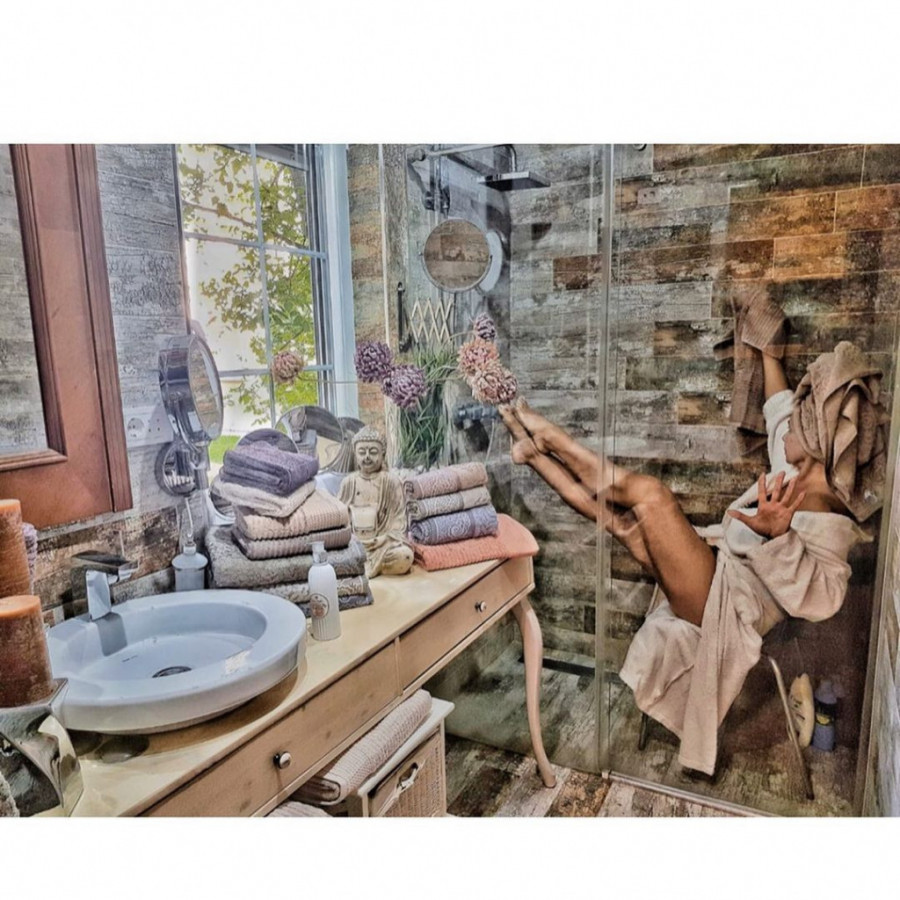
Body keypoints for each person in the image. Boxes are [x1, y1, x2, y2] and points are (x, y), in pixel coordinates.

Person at [498, 341, 887, 775]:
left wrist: (781, 538)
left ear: (816, 440)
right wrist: (768, 351)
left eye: (796, 428)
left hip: (727, 607)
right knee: (623, 525)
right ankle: (532, 455)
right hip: (716, 574)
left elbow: (825, 599)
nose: (784, 433)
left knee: (651, 496)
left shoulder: (831, 518)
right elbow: (779, 409)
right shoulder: (794, 469)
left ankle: (549, 436)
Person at [338, 425, 414, 577]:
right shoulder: (349, 482)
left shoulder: (391, 481)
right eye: (362, 452)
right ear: (355, 454)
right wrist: (352, 538)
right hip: (355, 544)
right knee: (331, 556)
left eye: (373, 452)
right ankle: (357, 564)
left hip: (383, 545)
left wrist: (383, 539)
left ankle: (364, 567)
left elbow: (399, 521)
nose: (367, 457)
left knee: (404, 556)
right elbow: (339, 518)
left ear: (382, 454)